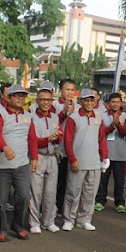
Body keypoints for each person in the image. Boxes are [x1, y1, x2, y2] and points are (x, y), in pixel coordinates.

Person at [0, 84, 38, 241]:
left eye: (23, 96)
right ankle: (0, 229)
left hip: (22, 164)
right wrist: (4, 148)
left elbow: (31, 138)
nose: (20, 98)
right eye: (17, 95)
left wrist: (35, 158)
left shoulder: (28, 115)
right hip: (1, 166)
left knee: (24, 196)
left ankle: (18, 226)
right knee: (0, 199)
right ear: (8, 97)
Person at [61, 89, 109, 231]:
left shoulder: (98, 118)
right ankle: (69, 219)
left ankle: (84, 219)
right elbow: (67, 141)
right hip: (78, 162)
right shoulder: (73, 118)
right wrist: (72, 159)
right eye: (86, 100)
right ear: (80, 101)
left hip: (94, 162)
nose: (89, 103)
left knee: (90, 193)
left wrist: (104, 156)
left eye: (91, 100)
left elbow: (101, 139)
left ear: (95, 102)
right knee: (73, 192)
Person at [29, 81, 62, 234]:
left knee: (50, 191)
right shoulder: (31, 117)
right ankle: (34, 222)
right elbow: (32, 140)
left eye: (48, 100)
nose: (46, 103)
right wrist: (47, 139)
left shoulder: (55, 117)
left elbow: (59, 139)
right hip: (38, 156)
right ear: (37, 101)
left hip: (52, 156)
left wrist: (56, 138)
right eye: (42, 100)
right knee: (35, 191)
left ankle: (48, 220)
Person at [95, 93, 126, 213]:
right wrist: (111, 126)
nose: (115, 104)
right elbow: (101, 132)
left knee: (119, 180)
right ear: (109, 103)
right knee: (103, 179)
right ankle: (100, 200)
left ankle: (119, 202)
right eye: (113, 102)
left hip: (120, 154)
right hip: (105, 153)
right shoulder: (102, 116)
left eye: (117, 102)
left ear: (121, 103)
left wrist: (118, 125)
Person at [54, 78, 78, 213]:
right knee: (55, 182)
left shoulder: (78, 107)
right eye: (67, 89)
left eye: (72, 90)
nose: (70, 93)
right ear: (61, 90)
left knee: (68, 182)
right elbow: (52, 122)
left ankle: (64, 208)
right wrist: (63, 113)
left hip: (73, 151)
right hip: (57, 150)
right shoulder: (53, 105)